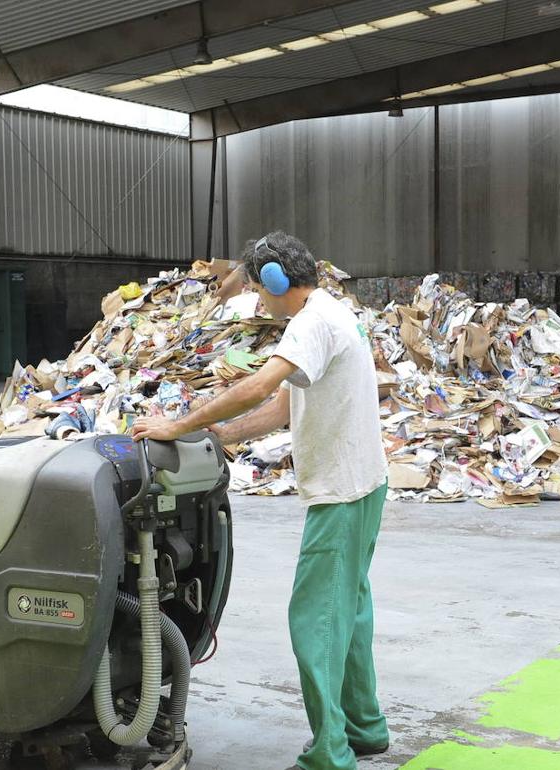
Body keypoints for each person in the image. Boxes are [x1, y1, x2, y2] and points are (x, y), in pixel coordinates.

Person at [131, 231, 390, 770]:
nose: (257, 300)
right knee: (350, 611)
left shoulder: (312, 323)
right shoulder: (330, 312)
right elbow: (281, 408)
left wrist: (180, 422)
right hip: (366, 484)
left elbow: (256, 387)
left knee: (315, 620)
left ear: (273, 281)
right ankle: (365, 727)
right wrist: (214, 439)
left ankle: (330, 753)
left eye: (257, 288)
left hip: (340, 494)